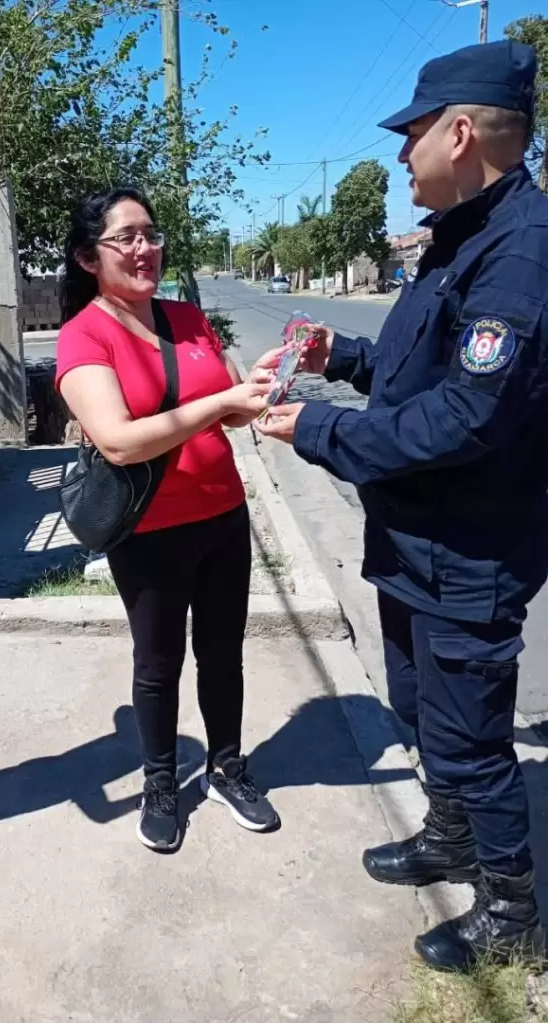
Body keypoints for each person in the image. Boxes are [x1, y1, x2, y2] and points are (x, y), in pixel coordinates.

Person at [255, 41, 548, 972]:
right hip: (413, 537)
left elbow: (465, 416)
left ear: (461, 133)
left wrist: (315, 431)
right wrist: (335, 354)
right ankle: (450, 837)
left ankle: (513, 912)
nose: (399, 154)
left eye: (411, 133)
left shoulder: (520, 253)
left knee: (472, 738)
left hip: (468, 548)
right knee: (424, 709)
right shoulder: (462, 236)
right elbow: (412, 369)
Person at [56, 186, 281, 852]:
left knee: (223, 652)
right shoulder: (82, 335)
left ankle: (227, 766)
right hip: (150, 528)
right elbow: (119, 440)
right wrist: (221, 406)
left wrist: (259, 385)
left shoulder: (186, 316)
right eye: (125, 237)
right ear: (87, 257)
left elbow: (229, 410)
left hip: (223, 511)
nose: (144, 248)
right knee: (158, 662)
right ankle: (160, 783)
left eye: (150, 234)